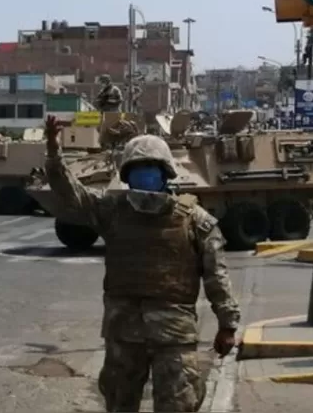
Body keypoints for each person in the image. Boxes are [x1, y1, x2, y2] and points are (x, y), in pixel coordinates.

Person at [42, 115, 239, 412]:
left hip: (173, 337)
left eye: (152, 169)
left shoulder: (195, 220)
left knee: (177, 405)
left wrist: (228, 325)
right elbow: (72, 195)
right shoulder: (112, 210)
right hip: (124, 334)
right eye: (138, 170)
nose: (145, 176)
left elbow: (217, 277)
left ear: (166, 174)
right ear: (126, 175)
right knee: (120, 404)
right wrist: (54, 152)